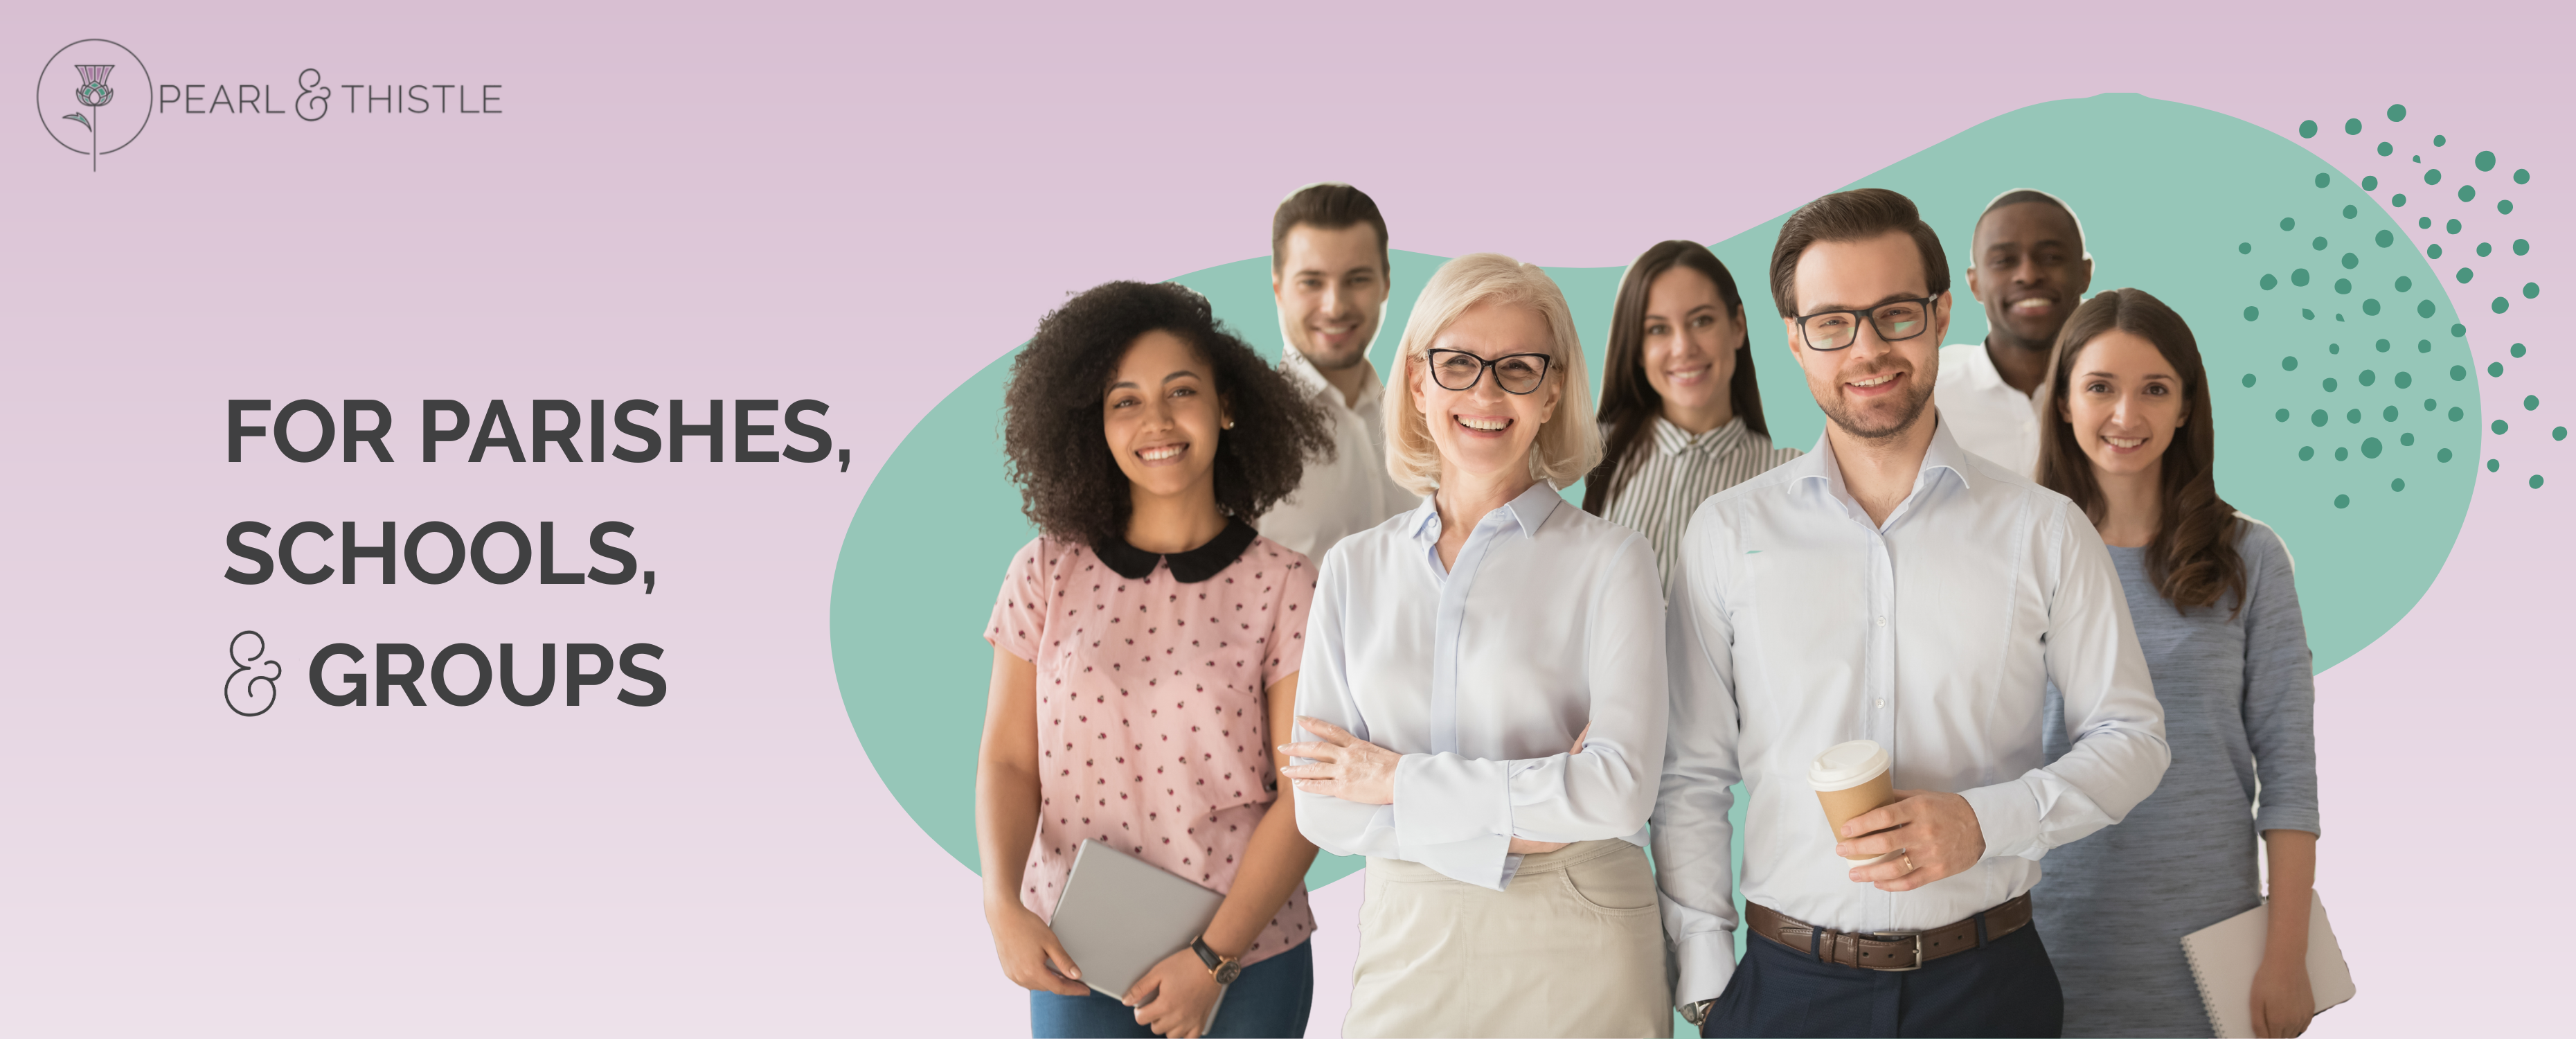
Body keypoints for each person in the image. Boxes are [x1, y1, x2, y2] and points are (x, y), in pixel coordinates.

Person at [1655, 188, 2170, 1038]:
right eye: (1831, 323)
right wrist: (1709, 984)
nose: (1867, 350)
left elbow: (2132, 738)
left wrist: (1985, 823)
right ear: (1793, 337)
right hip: (1784, 994)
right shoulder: (1725, 533)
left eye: (1894, 314)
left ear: (1939, 314)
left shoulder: (2045, 529)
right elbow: (1689, 774)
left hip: (1989, 988)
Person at [1284, 254, 1672, 1038]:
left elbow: (1620, 791)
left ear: (1553, 387)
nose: (1486, 394)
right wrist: (1543, 796)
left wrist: (1394, 780)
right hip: (1409, 937)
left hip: (1582, 932)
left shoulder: (1613, 561)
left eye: (1518, 368)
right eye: (1457, 364)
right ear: (1419, 383)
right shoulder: (1355, 569)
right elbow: (1324, 806)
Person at [975, 281, 1336, 1038]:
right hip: (1077, 956)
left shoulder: (1287, 585)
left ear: (1226, 405)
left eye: (1181, 391)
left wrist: (1212, 960)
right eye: (1125, 401)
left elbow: (1306, 794)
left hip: (1248, 961)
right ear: (1093, 425)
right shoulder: (1045, 572)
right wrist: (1002, 903)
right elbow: (1010, 761)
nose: (1158, 421)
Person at [2029, 288, 2321, 1039]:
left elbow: (2289, 776)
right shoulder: (2015, 558)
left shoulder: (2250, 559)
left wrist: (2286, 957)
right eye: (2100, 388)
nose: (2127, 416)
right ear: (2063, 401)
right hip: (2039, 938)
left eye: (2154, 389)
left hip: (2210, 944)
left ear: (2187, 406)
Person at [1582, 240, 1801, 581]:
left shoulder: (1790, 475)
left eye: (1701, 321)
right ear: (1637, 349)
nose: (1683, 347)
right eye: (1657, 329)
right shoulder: (1592, 452)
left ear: (1737, 326)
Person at [1256, 183, 1421, 561]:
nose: (1335, 306)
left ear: (1386, 284)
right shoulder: (1245, 433)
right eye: (1312, 282)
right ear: (1279, 289)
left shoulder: (1428, 418)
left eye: (1357, 279)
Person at [1935, 189, 2095, 475]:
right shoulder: (1930, 408)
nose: (2028, 275)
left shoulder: (2124, 400)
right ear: (1974, 284)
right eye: (2003, 261)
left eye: (2050, 256)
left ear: (2085, 273)